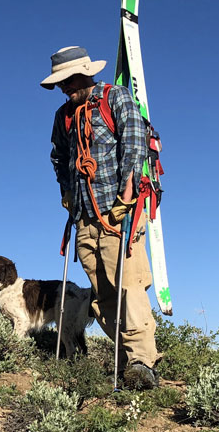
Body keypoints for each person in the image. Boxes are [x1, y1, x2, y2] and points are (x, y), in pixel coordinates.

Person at [42, 46, 159, 389]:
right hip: (84, 217)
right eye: (60, 83)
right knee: (102, 294)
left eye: (68, 80)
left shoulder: (115, 97)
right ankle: (127, 361)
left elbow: (135, 142)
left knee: (128, 286)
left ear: (86, 73)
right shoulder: (63, 116)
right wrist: (66, 192)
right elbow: (58, 157)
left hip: (117, 211)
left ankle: (142, 361)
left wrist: (126, 195)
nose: (65, 88)